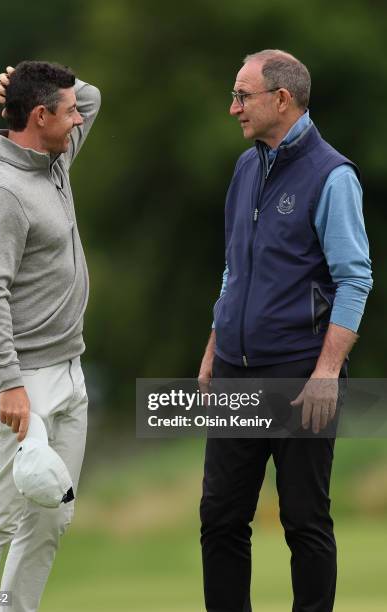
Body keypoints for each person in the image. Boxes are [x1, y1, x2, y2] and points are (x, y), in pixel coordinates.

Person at [198, 50, 372, 612]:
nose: (233, 108)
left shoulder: (333, 175)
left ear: (282, 99)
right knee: (220, 517)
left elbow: (355, 280)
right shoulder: (246, 166)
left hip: (301, 373)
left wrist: (326, 373)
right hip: (235, 372)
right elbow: (234, 268)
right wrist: (214, 346)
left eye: (242, 96)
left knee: (303, 520)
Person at [0, 61, 101, 611]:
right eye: (68, 113)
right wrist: (11, 383)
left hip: (69, 372)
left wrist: (19, 74)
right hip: (15, 383)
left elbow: (90, 94)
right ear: (40, 117)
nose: (79, 118)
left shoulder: (54, 159)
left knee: (50, 515)